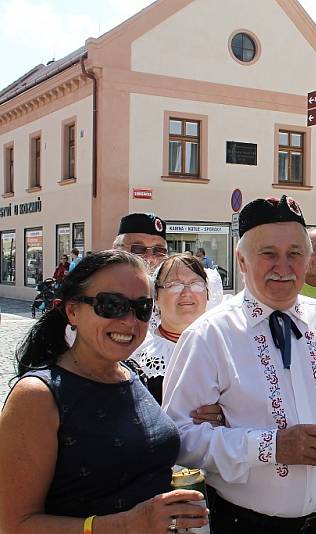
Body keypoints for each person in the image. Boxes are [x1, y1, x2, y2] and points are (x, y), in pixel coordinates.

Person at [162, 196, 316, 533]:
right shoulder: (209, 335)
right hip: (249, 524)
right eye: (268, 254)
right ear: (242, 261)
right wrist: (270, 447)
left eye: (294, 254)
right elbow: (180, 439)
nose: (283, 266)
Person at [0, 250, 209, 533]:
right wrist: (125, 524)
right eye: (111, 305)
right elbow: (13, 525)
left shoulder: (135, 373)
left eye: (142, 307)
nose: (129, 320)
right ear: (73, 311)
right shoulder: (37, 396)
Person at [130, 253, 209, 404]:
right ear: (156, 297)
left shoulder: (226, 346)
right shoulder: (137, 353)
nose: (186, 293)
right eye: (174, 285)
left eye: (196, 284)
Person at [113, 212, 224, 309]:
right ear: (117, 249)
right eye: (138, 249)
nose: (150, 258)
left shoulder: (187, 290)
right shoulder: (101, 284)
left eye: (158, 251)